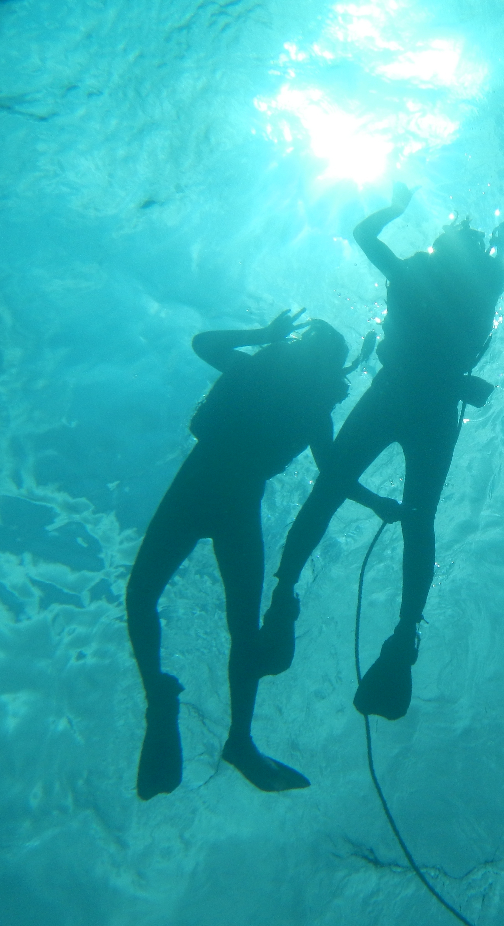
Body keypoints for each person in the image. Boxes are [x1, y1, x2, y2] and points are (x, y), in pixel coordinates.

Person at [258, 184, 504, 720]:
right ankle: (404, 632)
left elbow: (362, 234)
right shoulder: (481, 282)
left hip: (395, 393)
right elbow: (491, 276)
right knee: (417, 521)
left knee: (329, 489)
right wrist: (502, 245)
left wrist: (397, 210)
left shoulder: (413, 274)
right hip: (435, 406)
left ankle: (286, 592)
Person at [125, 311, 401, 799]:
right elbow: (333, 472)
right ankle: (235, 737)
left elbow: (204, 342)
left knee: (144, 596)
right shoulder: (310, 404)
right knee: (240, 631)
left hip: (197, 487)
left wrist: (262, 336)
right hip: (237, 507)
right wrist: (374, 501)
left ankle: (165, 702)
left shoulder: (259, 373)